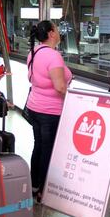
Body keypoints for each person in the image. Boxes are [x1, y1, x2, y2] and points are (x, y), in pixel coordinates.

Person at [26, 20, 72, 201]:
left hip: (34, 108)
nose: (60, 32)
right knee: (48, 150)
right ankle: (43, 190)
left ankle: (34, 184)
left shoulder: (34, 52)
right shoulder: (53, 56)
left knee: (38, 146)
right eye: (57, 29)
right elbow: (60, 87)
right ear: (51, 33)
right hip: (50, 112)